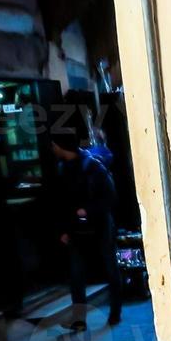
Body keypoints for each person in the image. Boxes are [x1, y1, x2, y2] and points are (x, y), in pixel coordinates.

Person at [50, 128, 122, 330]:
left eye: (54, 145)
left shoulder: (93, 167)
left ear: (62, 146)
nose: (52, 148)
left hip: (100, 225)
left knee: (110, 268)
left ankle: (115, 313)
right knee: (76, 274)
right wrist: (64, 229)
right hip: (76, 229)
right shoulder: (63, 168)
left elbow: (110, 198)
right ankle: (79, 320)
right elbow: (61, 203)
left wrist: (87, 210)